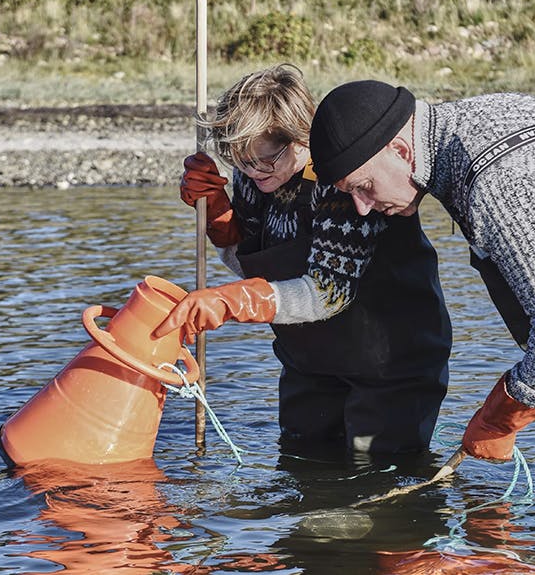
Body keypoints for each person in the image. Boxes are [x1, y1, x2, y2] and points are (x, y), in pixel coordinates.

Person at [306, 79, 535, 497]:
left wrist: (502, 413)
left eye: (364, 187)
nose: (363, 207)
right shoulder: (474, 120)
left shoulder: (494, 182)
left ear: (401, 151)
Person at [155, 64, 452, 456]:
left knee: (375, 477)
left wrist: (232, 302)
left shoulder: (344, 182)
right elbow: (256, 269)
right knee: (302, 463)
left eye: (267, 160)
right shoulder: (253, 174)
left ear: (299, 138)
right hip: (309, 361)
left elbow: (328, 293)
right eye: (240, 160)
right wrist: (218, 217)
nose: (253, 171)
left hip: (389, 362)